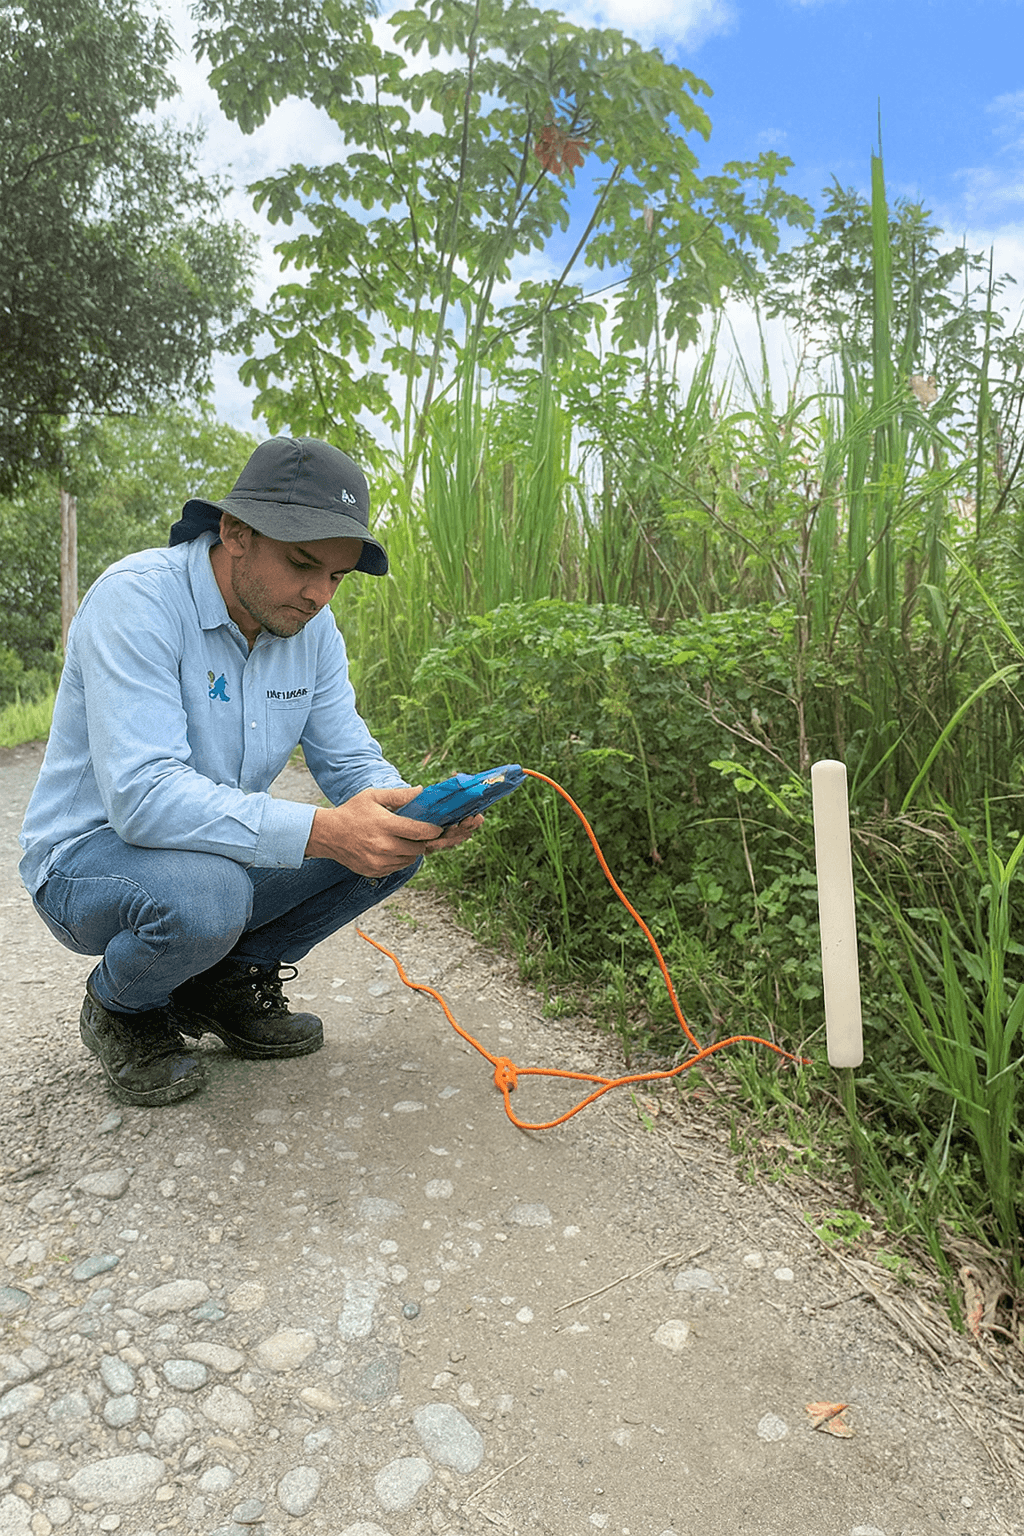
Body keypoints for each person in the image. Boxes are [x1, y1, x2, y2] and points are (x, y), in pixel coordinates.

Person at [18, 436, 481, 1107]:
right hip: (86, 860)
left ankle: (219, 982)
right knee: (210, 897)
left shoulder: (310, 631)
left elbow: (349, 757)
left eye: (337, 577)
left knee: (389, 844)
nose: (319, 594)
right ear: (235, 532)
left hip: (206, 852)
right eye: (303, 564)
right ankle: (121, 1006)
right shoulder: (136, 602)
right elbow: (144, 798)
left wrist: (409, 809)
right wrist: (325, 830)